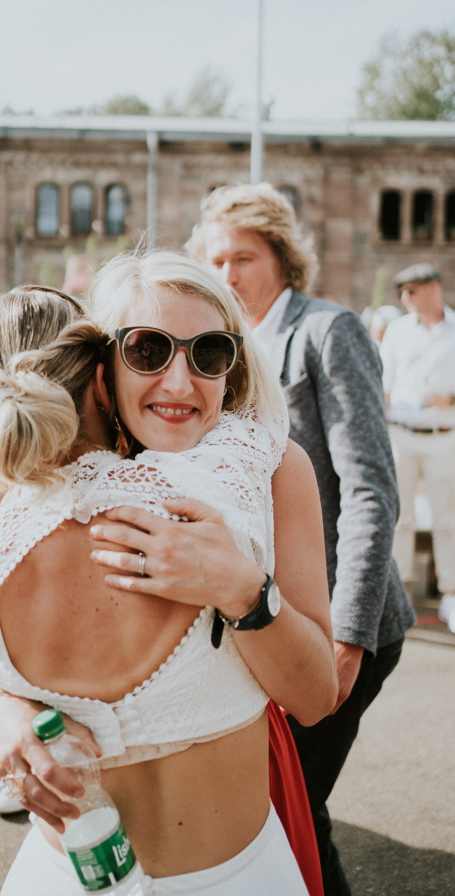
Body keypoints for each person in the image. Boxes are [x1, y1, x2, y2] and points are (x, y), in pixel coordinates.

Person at [0, 256, 337, 894]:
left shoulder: (262, 472)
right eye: (147, 350)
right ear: (101, 369)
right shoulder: (29, 517)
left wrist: (240, 588)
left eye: (210, 352)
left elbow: (315, 698)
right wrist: (5, 705)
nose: (180, 380)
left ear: (232, 367)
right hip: (66, 873)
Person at [188, 183, 416, 896]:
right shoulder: (223, 347)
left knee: (291, 808)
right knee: (273, 800)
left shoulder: (328, 331)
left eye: (244, 257)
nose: (227, 274)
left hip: (346, 617)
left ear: (283, 258)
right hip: (269, 612)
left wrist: (348, 639)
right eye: (216, 259)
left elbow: (373, 491)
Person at [380, 263, 455, 629]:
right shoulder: (396, 331)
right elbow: (384, 385)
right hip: (401, 434)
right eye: (402, 292)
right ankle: (401, 592)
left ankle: (451, 596)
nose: (406, 298)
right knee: (399, 517)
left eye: (412, 290)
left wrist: (451, 398)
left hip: (444, 434)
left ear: (432, 288)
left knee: (448, 518)